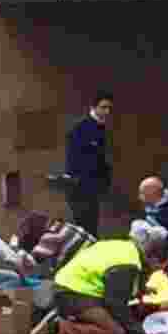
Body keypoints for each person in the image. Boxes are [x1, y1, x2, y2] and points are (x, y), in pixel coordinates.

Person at [26, 230, 168, 334]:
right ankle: (61, 327)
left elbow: (120, 286)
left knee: (119, 324)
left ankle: (75, 321)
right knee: (115, 332)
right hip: (73, 292)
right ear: (154, 259)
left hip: (74, 286)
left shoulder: (128, 248)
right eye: (160, 268)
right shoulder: (128, 264)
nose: (159, 271)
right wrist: (138, 333)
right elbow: (115, 304)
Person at [64, 91, 114, 237]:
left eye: (109, 108)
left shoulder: (100, 128)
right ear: (94, 107)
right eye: (103, 107)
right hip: (81, 189)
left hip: (92, 189)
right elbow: (76, 161)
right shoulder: (81, 129)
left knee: (91, 227)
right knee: (86, 229)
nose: (107, 112)